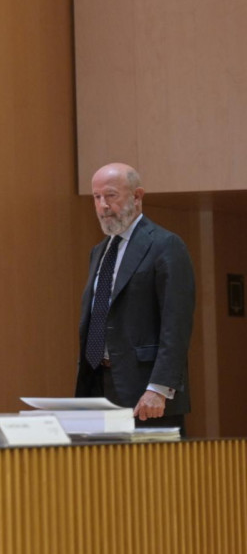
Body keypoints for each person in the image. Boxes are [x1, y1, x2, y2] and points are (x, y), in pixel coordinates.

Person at [75, 163, 194, 429]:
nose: (103, 206)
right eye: (97, 197)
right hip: (97, 384)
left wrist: (159, 388)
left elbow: (176, 324)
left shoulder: (165, 245)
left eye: (111, 195)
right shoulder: (99, 251)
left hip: (146, 393)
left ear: (137, 196)